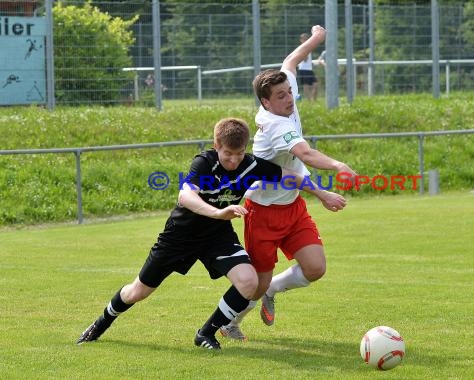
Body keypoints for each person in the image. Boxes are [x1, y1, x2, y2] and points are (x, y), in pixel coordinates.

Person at [76, 117, 346, 350]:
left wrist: (321, 194)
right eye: (228, 153)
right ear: (217, 146)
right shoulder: (204, 164)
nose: (233, 159)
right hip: (180, 236)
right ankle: (102, 322)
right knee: (138, 291)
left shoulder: (250, 165)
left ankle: (206, 332)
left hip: (217, 236)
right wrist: (218, 212)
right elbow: (185, 196)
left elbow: (291, 175)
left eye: (239, 153)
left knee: (249, 282)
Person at [219, 25, 357, 341]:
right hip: (263, 211)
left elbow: (291, 61)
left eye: (289, 93)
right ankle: (230, 323)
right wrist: (337, 166)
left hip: (292, 206)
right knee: (258, 281)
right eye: (280, 97)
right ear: (265, 103)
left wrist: (316, 39)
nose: (289, 100)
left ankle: (273, 291)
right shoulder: (274, 125)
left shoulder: (284, 90)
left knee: (315, 267)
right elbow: (305, 155)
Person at [297, 33, 318, 101]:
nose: (306, 40)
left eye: (307, 39)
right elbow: (305, 59)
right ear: (301, 40)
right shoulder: (303, 47)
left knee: (316, 84)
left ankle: (313, 100)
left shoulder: (308, 47)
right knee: (306, 85)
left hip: (309, 69)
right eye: (304, 39)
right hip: (303, 69)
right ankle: (309, 101)